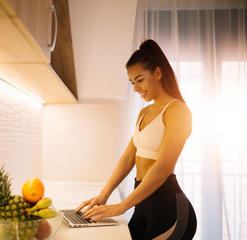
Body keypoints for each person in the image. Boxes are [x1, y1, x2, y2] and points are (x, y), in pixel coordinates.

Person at [76, 39, 197, 239]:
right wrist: (104, 194)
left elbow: (164, 167)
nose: (135, 89)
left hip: (169, 209)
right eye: (132, 82)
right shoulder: (144, 112)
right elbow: (128, 158)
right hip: (142, 203)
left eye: (140, 80)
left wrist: (122, 206)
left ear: (157, 73)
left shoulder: (178, 111)